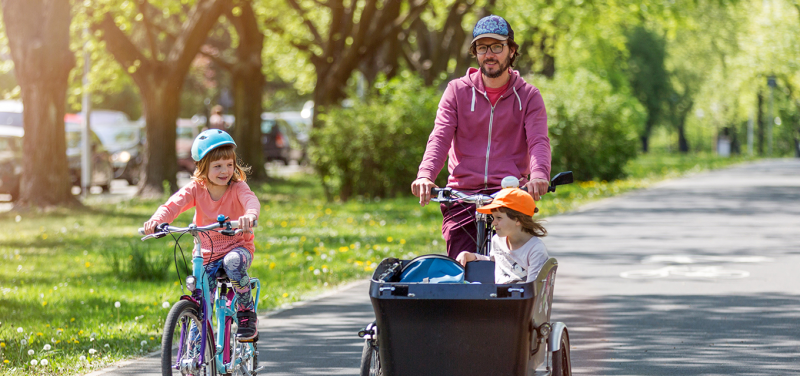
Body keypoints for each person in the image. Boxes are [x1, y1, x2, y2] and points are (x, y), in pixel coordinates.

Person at [410, 14, 551, 259]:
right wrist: (425, 176)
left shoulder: (528, 95)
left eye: (497, 46)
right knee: (461, 266)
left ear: (511, 51)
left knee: (512, 267)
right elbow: (440, 136)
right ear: (475, 52)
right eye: (482, 47)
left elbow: (538, 140)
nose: (490, 54)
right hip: (462, 194)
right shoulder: (457, 91)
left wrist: (539, 176)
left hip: (507, 193)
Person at [142, 129, 261, 341]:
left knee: (234, 263)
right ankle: (196, 347)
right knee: (202, 298)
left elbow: (251, 201)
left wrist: (249, 215)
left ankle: (246, 312)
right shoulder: (196, 189)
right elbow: (173, 205)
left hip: (237, 248)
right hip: (206, 254)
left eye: (229, 165)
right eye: (217, 166)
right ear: (202, 168)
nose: (225, 170)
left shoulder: (237, 187)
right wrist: (157, 220)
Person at [455, 187, 549, 284]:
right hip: (498, 297)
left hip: (519, 298)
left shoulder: (535, 249)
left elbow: (533, 290)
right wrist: (471, 256)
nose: (493, 223)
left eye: (499, 218)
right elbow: (495, 260)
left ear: (518, 220)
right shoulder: (497, 240)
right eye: (493, 217)